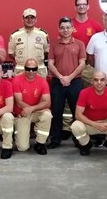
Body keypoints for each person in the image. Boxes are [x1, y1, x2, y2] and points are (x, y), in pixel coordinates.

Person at [47, 16, 86, 148]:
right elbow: (50, 64)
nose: (65, 30)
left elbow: (82, 64)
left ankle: (78, 139)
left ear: (72, 28)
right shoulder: (53, 44)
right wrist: (61, 77)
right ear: (59, 29)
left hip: (75, 82)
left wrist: (69, 77)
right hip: (57, 82)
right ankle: (55, 139)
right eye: (63, 28)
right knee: (56, 111)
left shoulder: (80, 44)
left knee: (77, 112)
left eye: (68, 27)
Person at [12, 58, 52, 155]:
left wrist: (32, 108)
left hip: (34, 111)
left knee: (47, 115)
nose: (31, 71)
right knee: (22, 147)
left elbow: (47, 102)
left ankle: (40, 143)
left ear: (37, 69)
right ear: (24, 68)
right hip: (22, 113)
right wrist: (33, 108)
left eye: (34, 69)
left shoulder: (42, 81)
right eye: (28, 68)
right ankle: (17, 133)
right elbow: (19, 102)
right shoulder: (16, 80)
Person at [72, 0, 103, 88]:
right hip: (73, 64)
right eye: (79, 5)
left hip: (89, 66)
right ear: (75, 7)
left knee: (92, 91)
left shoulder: (96, 26)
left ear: (88, 6)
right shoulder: (69, 25)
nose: (81, 7)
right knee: (73, 93)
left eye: (84, 4)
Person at [8, 8, 49, 78]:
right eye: (27, 17)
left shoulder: (43, 34)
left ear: (36, 19)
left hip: (39, 70)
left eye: (32, 17)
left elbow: (46, 52)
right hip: (21, 70)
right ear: (23, 19)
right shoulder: (15, 35)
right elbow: (11, 53)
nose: (29, 20)